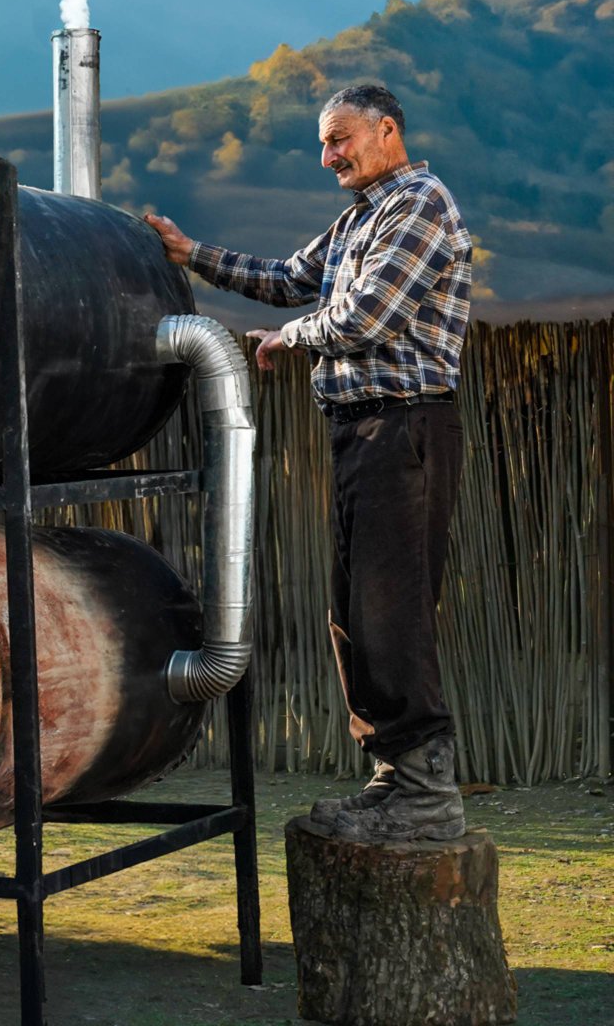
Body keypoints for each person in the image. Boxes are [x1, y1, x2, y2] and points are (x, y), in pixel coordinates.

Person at [143, 84, 472, 844]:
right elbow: (290, 278)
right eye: (323, 144)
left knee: (392, 614)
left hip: (405, 428)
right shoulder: (363, 216)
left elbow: (368, 316)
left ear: (387, 129)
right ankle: (394, 779)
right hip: (364, 432)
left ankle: (426, 796)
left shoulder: (419, 203)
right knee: (355, 616)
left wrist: (292, 337)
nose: (329, 157)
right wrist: (193, 256)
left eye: (342, 139)